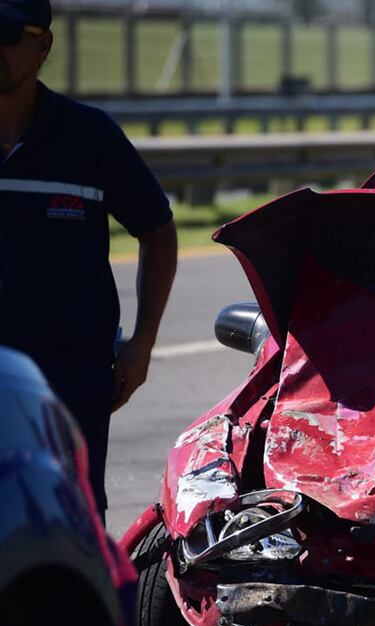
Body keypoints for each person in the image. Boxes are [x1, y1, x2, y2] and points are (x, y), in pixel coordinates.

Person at [0, 0, 177, 522]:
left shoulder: (89, 137)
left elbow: (158, 232)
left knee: (68, 531)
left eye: (5, 33)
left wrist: (141, 344)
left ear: (43, 45)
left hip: (69, 385)